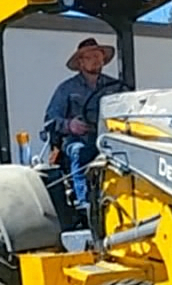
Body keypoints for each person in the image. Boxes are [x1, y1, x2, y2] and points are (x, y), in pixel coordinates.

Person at [43, 37, 122, 209]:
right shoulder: (66, 89)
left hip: (111, 137)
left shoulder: (115, 86)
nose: (96, 60)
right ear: (80, 63)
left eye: (98, 56)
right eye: (90, 56)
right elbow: (49, 120)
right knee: (79, 151)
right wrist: (70, 125)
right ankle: (86, 205)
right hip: (80, 139)